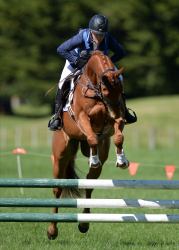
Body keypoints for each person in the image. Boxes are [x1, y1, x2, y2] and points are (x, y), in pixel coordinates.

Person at [48, 14, 137, 131]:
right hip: (76, 62)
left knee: (119, 77)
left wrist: (107, 64)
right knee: (63, 81)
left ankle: (124, 111)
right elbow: (61, 49)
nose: (99, 37)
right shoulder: (81, 37)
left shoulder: (108, 38)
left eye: (102, 35)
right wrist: (76, 60)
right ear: (91, 30)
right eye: (96, 34)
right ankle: (57, 116)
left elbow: (121, 53)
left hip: (100, 68)